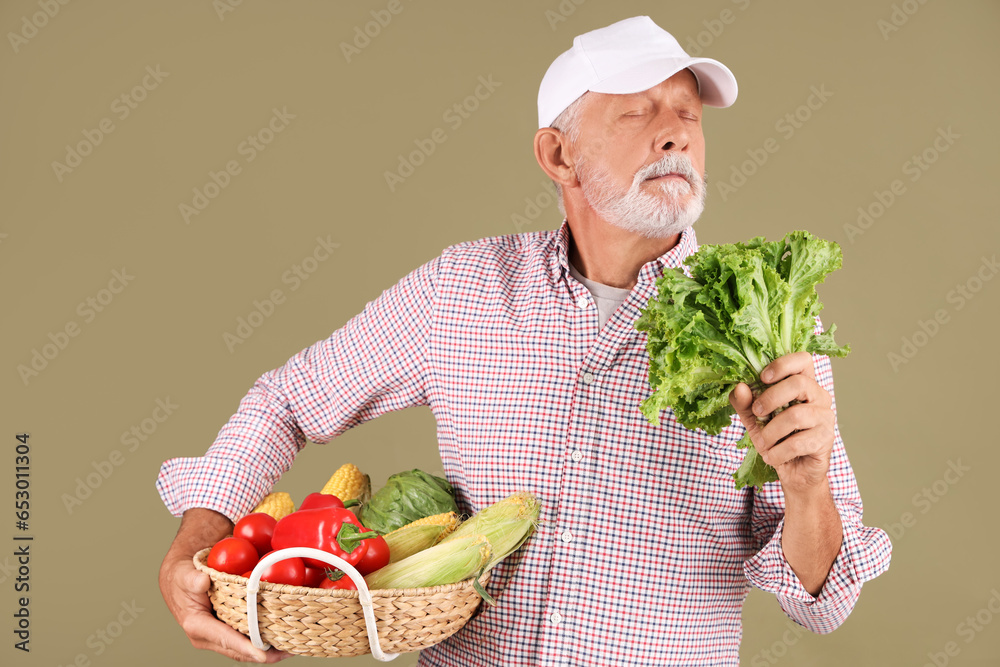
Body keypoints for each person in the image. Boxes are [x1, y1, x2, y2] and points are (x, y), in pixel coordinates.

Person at [157, 16, 891, 666]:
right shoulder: (464, 288)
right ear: (558, 155)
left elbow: (821, 604)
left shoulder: (764, 320)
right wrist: (196, 543)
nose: (677, 132)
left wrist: (807, 484)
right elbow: (286, 402)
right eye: (640, 112)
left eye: (688, 115)